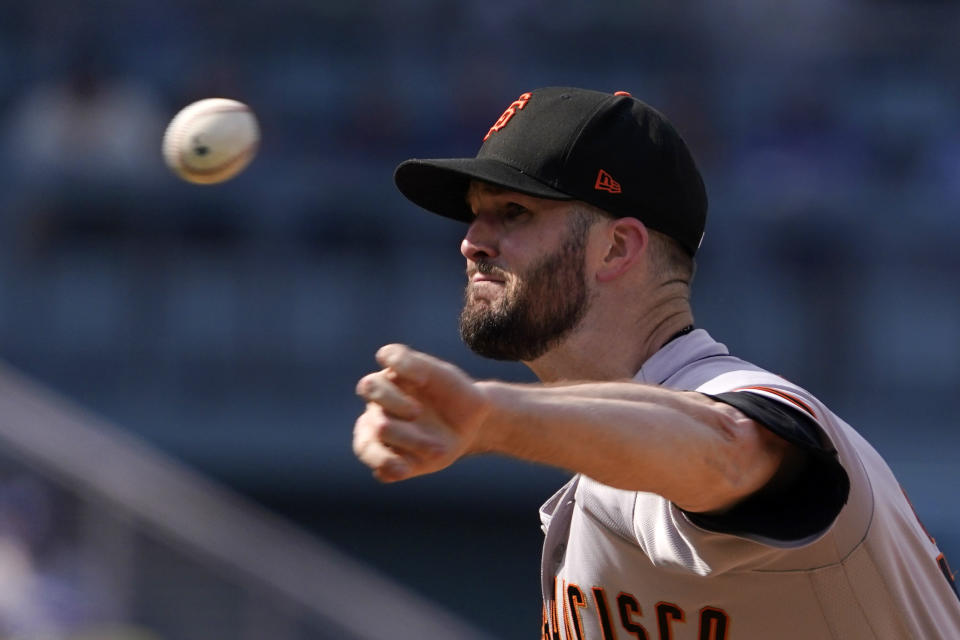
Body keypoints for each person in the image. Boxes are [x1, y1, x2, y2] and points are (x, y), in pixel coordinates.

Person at [352, 87, 960, 639]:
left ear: (617, 247)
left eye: (514, 212)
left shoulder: (727, 392)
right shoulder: (602, 472)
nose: (472, 241)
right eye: (475, 213)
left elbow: (725, 449)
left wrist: (492, 417)